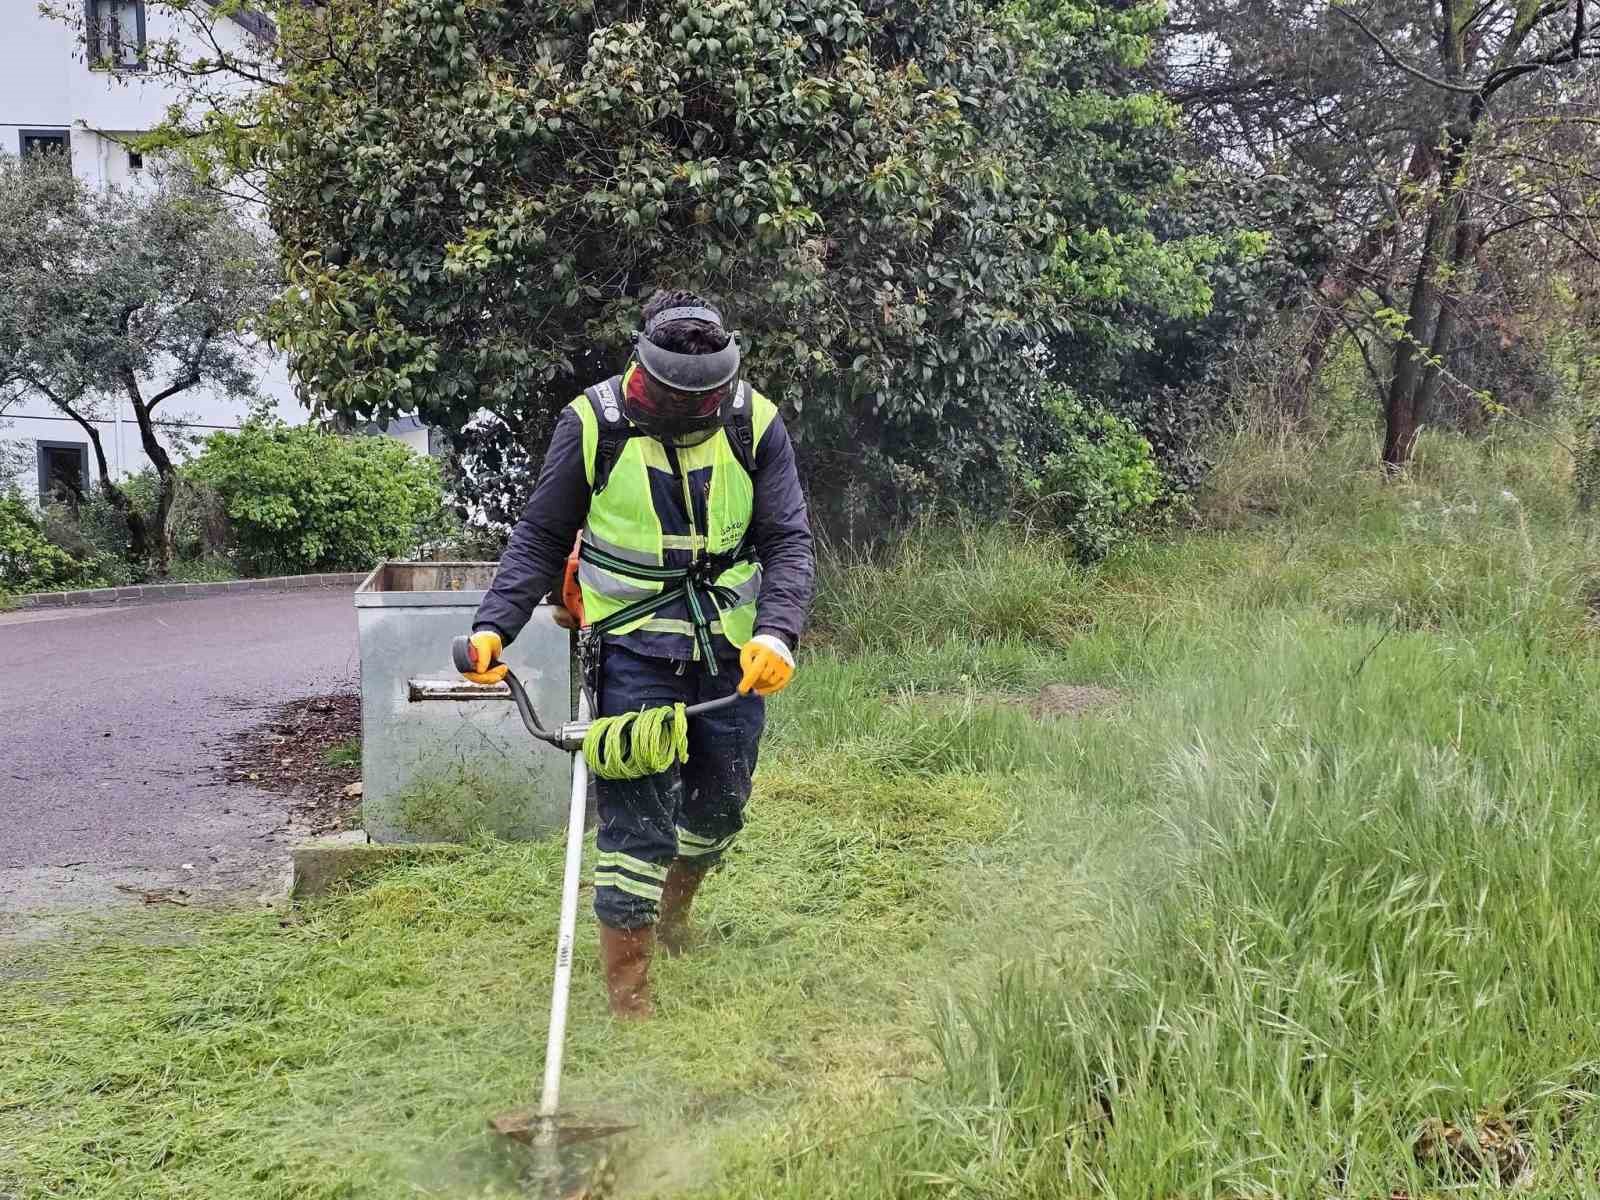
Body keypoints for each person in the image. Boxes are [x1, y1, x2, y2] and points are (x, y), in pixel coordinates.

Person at [459, 291, 815, 1019]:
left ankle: (675, 914)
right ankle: (631, 1000)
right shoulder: (593, 423)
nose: (687, 408)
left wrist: (777, 633)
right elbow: (540, 536)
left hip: (731, 651)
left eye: (702, 396)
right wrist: (496, 624)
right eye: (671, 394)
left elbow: (788, 540)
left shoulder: (757, 423)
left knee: (720, 807)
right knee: (635, 824)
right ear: (641, 369)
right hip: (631, 652)